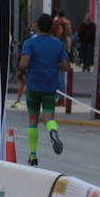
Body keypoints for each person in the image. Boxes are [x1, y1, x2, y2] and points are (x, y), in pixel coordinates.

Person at [20, 13, 69, 167]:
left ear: (38, 26)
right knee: (49, 117)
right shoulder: (58, 44)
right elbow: (66, 66)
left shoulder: (30, 43)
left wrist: (26, 69)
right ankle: (52, 130)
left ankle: (33, 155)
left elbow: (23, 64)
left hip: (34, 85)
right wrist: (55, 66)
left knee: (33, 120)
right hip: (50, 87)